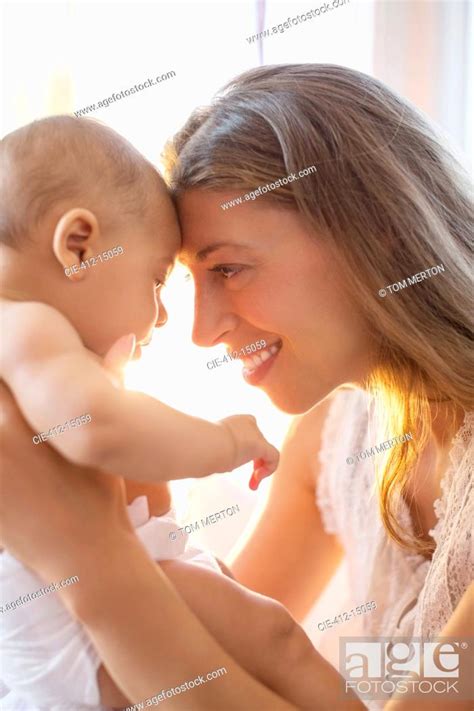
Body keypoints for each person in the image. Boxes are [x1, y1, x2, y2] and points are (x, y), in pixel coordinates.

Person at [1, 64, 473, 709]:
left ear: (374, 231)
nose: (200, 331)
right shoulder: (337, 437)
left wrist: (90, 559)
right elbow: (226, 647)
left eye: (230, 268)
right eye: (188, 281)